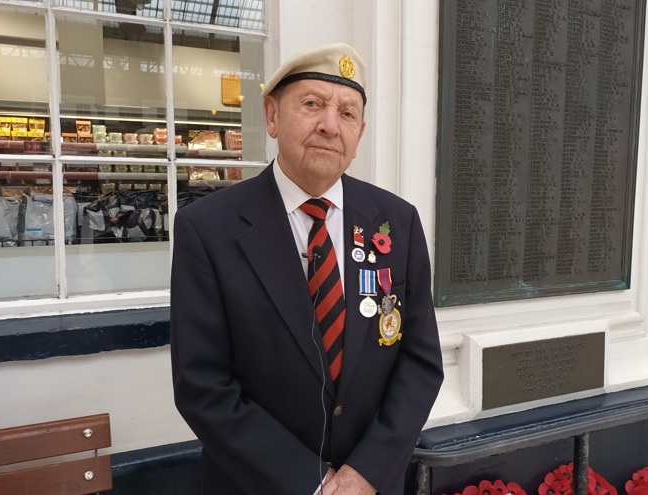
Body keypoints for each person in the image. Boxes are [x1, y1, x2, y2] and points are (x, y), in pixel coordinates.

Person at [170, 42, 444, 495]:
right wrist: (311, 484)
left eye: (348, 113)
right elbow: (203, 385)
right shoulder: (207, 229)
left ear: (359, 132)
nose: (330, 126)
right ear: (272, 116)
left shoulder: (397, 222)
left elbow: (419, 362)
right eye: (312, 104)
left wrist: (367, 472)